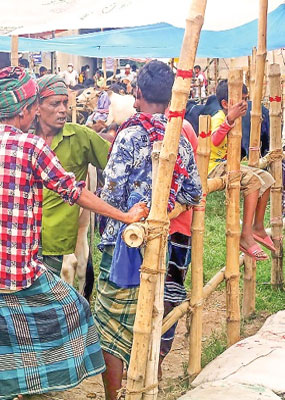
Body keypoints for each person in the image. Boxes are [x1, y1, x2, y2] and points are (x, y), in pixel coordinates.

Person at [0, 66, 148, 400]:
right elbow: (74, 191)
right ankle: (46, 380)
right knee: (77, 307)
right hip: (22, 274)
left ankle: (11, 390)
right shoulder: (32, 148)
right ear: (27, 110)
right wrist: (125, 215)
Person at [94, 60, 202, 400]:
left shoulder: (129, 135)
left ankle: (114, 396)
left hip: (122, 244)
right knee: (152, 315)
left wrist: (127, 212)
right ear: (170, 98)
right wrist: (165, 207)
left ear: (137, 93)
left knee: (110, 327)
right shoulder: (178, 139)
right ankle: (148, 389)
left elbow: (111, 192)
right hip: (158, 245)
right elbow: (194, 191)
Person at [34, 74, 110, 299]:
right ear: (37, 107)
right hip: (23, 240)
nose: (62, 110)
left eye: (65, 103)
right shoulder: (23, 139)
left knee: (55, 307)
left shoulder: (81, 137)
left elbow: (117, 163)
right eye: (54, 103)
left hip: (57, 244)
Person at [208, 80, 274, 260]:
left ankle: (258, 227)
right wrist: (230, 119)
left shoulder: (236, 120)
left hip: (229, 165)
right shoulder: (219, 118)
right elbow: (213, 140)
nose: (245, 103)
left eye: (246, 98)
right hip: (213, 167)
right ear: (225, 104)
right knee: (253, 181)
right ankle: (245, 235)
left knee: (267, 178)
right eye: (240, 99)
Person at [159, 111, 199, 377]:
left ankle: (157, 361)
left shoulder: (182, 128)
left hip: (175, 227)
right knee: (159, 295)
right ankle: (151, 360)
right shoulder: (181, 127)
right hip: (170, 227)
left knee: (168, 297)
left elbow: (194, 182)